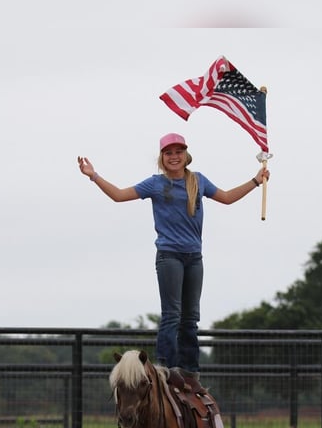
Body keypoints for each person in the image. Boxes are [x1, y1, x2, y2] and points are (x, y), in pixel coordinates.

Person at [77, 132, 270, 380]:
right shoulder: (156, 184)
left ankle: (190, 371)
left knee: (191, 318)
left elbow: (227, 198)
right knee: (172, 315)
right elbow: (119, 195)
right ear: (162, 157)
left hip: (194, 257)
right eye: (168, 153)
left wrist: (256, 181)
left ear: (186, 155)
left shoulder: (198, 181)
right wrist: (94, 175)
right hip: (169, 256)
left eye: (178, 152)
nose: (174, 157)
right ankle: (166, 368)